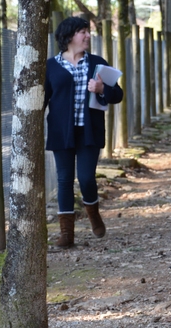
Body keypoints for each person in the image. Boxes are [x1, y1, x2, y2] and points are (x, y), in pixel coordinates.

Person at [45, 16, 124, 248]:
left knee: (87, 178)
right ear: (69, 37)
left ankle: (93, 213)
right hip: (62, 133)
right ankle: (67, 234)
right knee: (64, 180)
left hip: (90, 131)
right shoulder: (51, 66)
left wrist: (103, 88)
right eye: (83, 32)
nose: (87, 36)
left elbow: (117, 95)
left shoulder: (97, 63)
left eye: (87, 32)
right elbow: (42, 98)